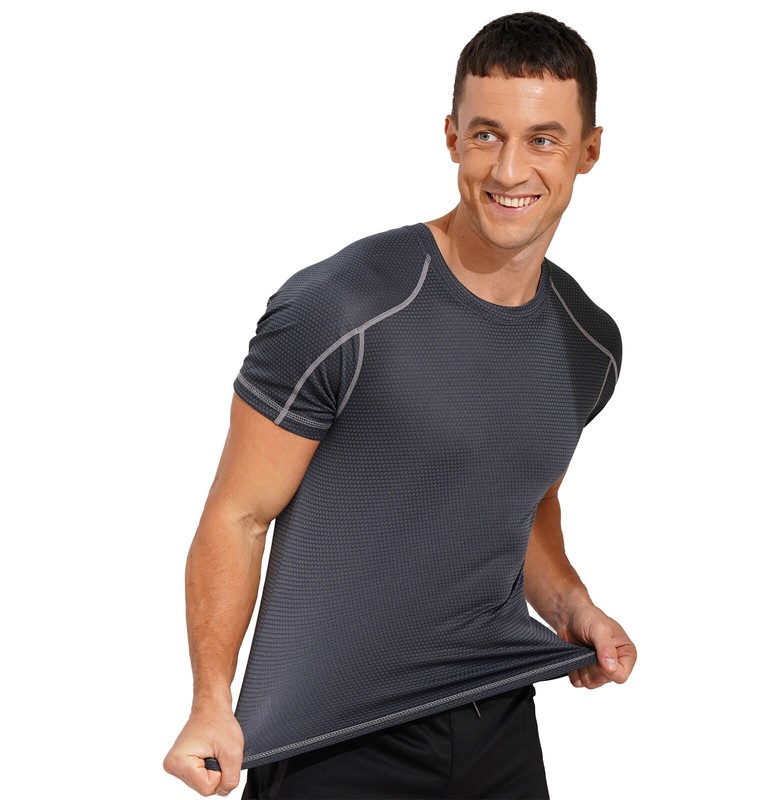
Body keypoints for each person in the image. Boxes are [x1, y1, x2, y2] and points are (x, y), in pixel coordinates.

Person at [164, 10, 636, 799]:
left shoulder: (588, 345)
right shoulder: (341, 306)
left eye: (543, 140)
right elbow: (238, 515)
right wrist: (210, 701)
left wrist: (573, 605)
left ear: (589, 151)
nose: (509, 169)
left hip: (498, 725)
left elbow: (519, 504)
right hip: (332, 743)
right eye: (486, 135)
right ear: (451, 137)